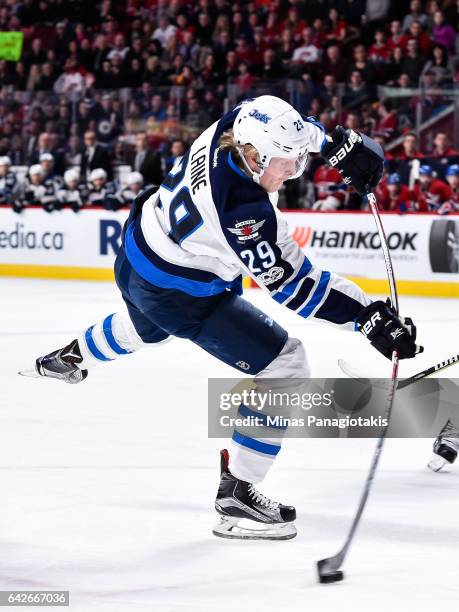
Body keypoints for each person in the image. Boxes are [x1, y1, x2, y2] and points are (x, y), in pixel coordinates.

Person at [20, 96, 422, 540]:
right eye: (286, 163)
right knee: (286, 366)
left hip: (138, 253)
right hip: (177, 291)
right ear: (255, 157)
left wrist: (335, 144)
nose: (295, 170)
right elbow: (295, 287)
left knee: (147, 327)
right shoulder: (242, 211)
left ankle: (70, 356)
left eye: (299, 160)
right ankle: (238, 493)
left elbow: (292, 127)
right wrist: (367, 316)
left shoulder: (242, 122)